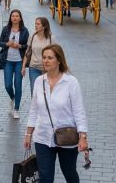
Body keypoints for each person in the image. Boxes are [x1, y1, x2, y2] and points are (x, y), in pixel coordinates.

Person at [24, 44, 89, 183]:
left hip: (67, 136)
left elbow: (79, 111)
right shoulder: (39, 81)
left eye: (50, 58)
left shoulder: (71, 82)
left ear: (59, 60)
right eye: (44, 57)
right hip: (42, 137)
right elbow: (34, 109)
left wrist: (82, 136)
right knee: (45, 177)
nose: (46, 61)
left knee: (69, 173)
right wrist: (28, 134)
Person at [0, 10, 29, 119]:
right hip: (8, 60)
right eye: (13, 16)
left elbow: (28, 45)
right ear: (10, 18)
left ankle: (16, 109)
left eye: (17, 16)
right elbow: (0, 43)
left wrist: (20, 46)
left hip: (19, 61)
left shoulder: (24, 31)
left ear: (20, 18)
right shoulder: (5, 30)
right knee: (7, 85)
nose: (15, 18)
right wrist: (7, 44)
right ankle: (12, 98)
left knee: (18, 84)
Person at [23, 17, 55, 89]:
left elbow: (54, 54)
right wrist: (23, 66)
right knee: (34, 90)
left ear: (44, 26)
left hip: (47, 69)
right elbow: (27, 52)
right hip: (33, 67)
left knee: (46, 90)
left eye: (38, 24)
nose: (35, 26)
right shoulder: (32, 36)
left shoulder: (51, 38)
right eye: (35, 24)